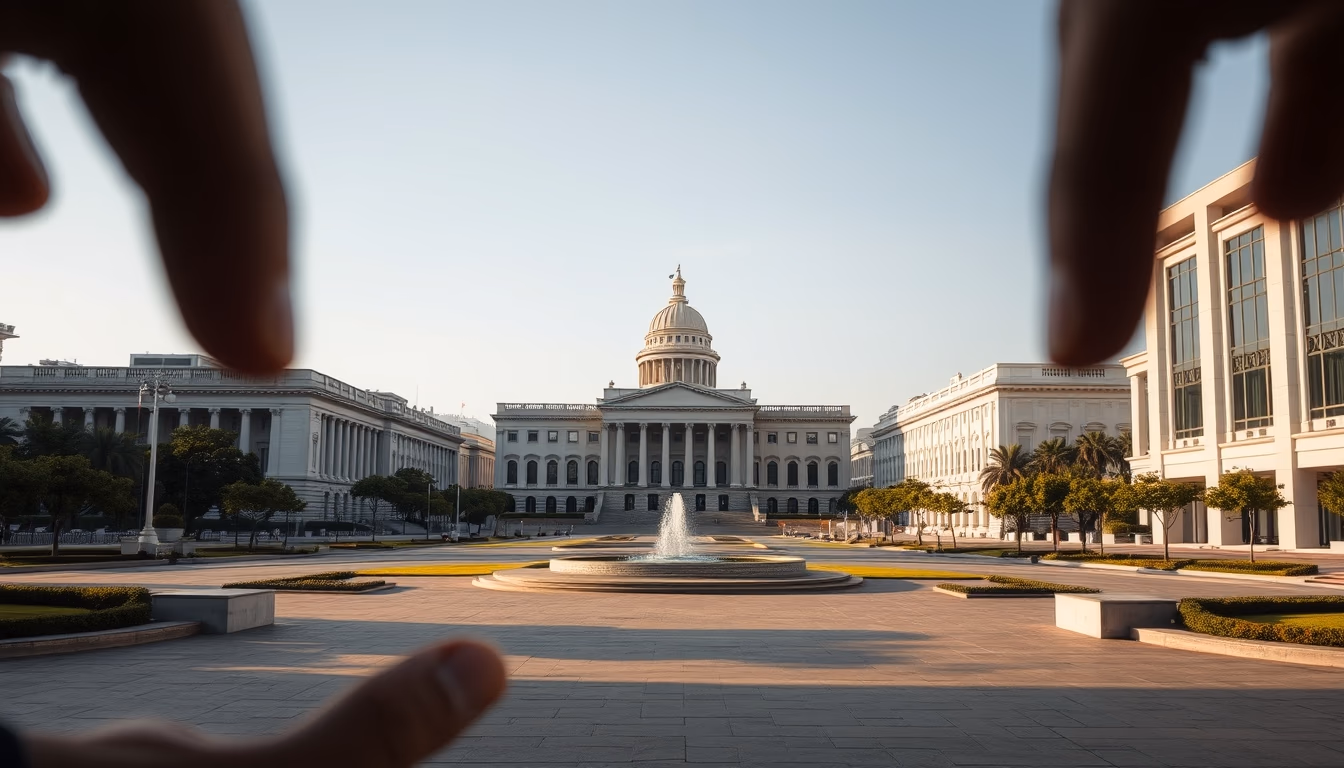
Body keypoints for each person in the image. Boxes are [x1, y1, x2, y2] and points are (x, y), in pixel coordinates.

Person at [1, 1, 1340, 765]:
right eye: (672, 375)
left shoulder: (750, 421)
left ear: (695, 377)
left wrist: (749, 457)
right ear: (648, 379)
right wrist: (573, 449)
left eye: (688, 377)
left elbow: (765, 442)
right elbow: (566, 431)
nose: (680, 387)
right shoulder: (595, 418)